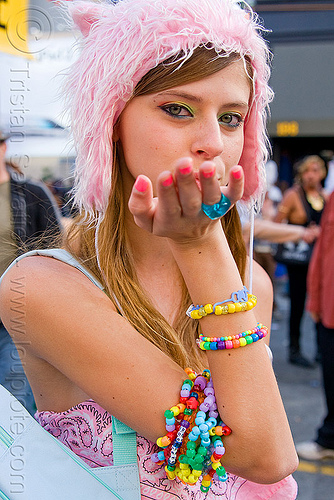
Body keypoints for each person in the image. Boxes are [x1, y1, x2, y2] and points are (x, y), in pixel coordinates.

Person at [0, 0, 298, 497]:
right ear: (109, 121)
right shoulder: (39, 286)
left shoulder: (252, 285)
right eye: (177, 109)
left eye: (231, 118)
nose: (210, 142)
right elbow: (263, 455)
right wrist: (198, 243)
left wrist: (204, 249)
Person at [0, 130, 62, 415]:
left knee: (15, 402)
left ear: (3, 147)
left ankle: (15, 458)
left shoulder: (31, 193)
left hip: (17, 312)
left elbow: (55, 248)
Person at [274, 155, 326, 368]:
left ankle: (320, 350)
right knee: (297, 303)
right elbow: (277, 224)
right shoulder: (292, 195)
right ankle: (294, 349)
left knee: (320, 303)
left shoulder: (325, 196)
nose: (311, 175)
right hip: (299, 258)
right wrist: (302, 232)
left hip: (319, 258)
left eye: (315, 170)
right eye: (307, 170)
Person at [296, 191, 334, 460]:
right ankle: (330, 437)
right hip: (330, 306)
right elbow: (323, 250)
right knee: (331, 376)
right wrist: (316, 298)